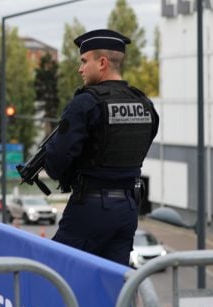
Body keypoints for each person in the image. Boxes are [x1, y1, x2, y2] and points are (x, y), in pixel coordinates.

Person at [44, 29, 159, 266]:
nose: (80, 69)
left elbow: (56, 163)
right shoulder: (144, 103)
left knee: (54, 272)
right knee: (114, 285)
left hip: (90, 208)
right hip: (128, 209)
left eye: (85, 61)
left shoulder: (85, 103)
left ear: (102, 63)